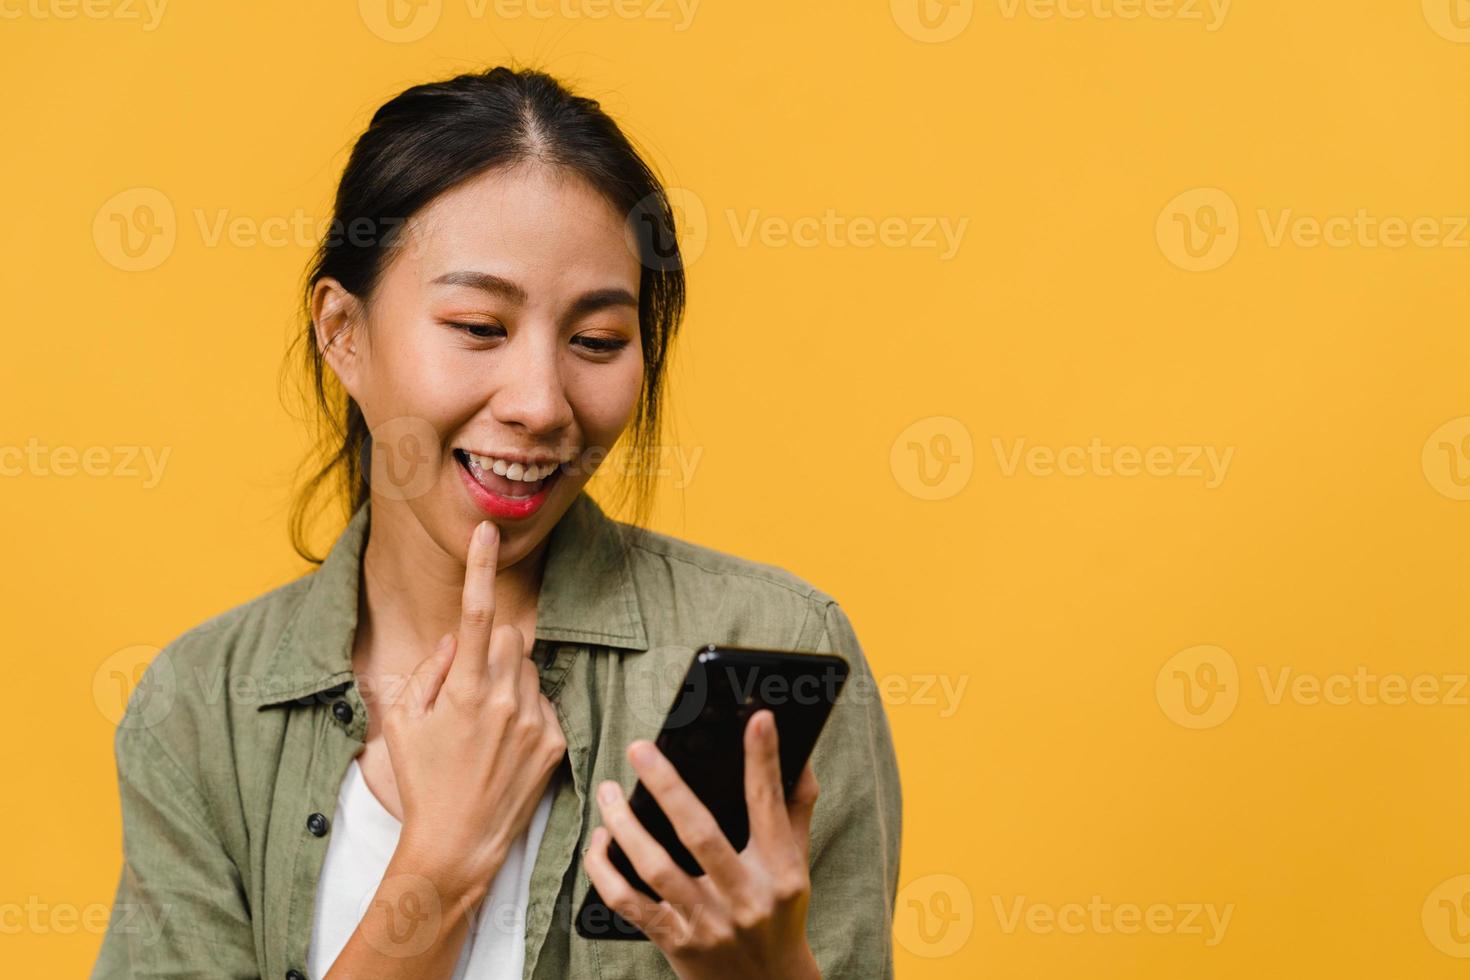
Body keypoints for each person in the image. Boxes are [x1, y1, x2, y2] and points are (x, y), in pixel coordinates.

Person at [91, 65, 901, 980]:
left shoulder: (775, 651)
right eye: (479, 326)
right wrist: (439, 864)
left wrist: (766, 973)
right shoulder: (202, 710)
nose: (540, 404)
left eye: (596, 341)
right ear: (341, 332)